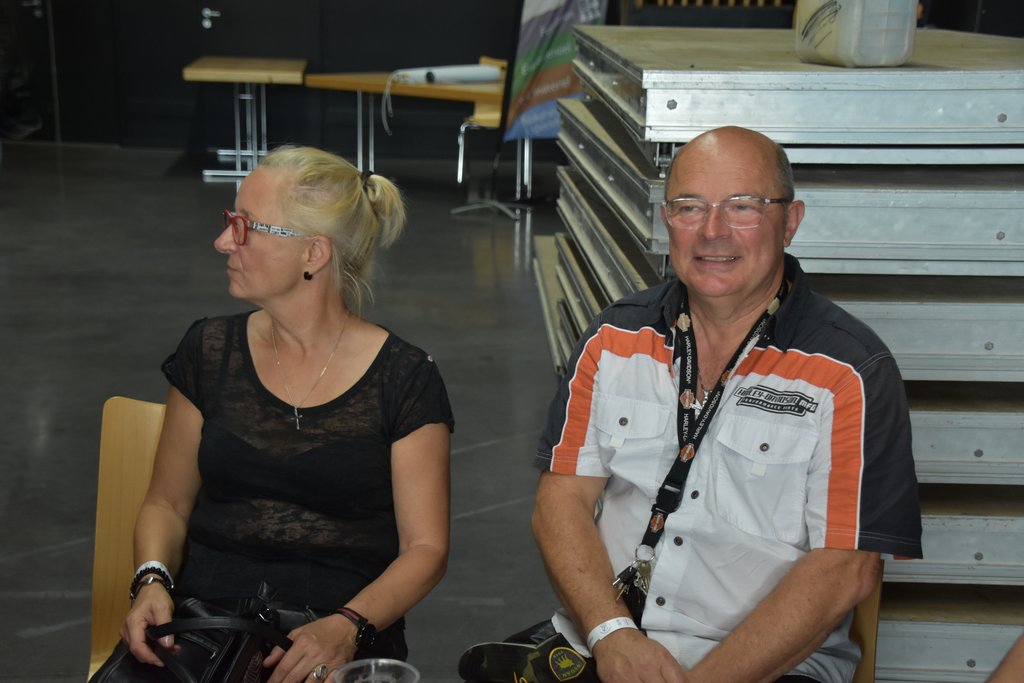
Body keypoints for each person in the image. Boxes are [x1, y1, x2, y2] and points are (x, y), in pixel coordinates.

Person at [528, 126, 922, 683]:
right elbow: (560, 499)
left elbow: (847, 569)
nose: (713, 231)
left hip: (767, 668)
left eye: (743, 206)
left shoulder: (851, 373)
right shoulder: (613, 338)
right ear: (666, 219)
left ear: (791, 221)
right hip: (608, 644)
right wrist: (611, 634)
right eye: (690, 207)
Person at [116, 146, 453, 682]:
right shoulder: (208, 350)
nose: (223, 241)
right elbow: (167, 502)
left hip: (338, 637)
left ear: (313, 253)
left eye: (245, 226)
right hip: (206, 631)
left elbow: (426, 549)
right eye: (230, 220)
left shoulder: (405, 379)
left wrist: (346, 626)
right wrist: (152, 580)